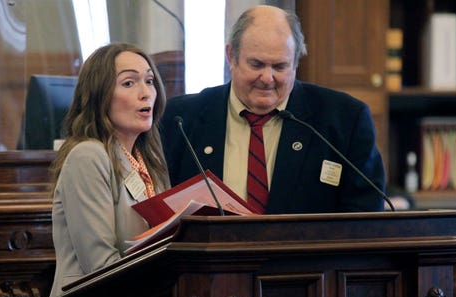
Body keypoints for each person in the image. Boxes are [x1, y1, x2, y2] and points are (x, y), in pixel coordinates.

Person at [160, 5, 386, 214]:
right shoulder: (179, 118)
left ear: (296, 62)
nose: (267, 78)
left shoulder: (344, 119)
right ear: (231, 56)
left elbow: (364, 217)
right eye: (256, 64)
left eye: (280, 66)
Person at [44, 43, 170, 297]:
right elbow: (99, 266)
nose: (145, 92)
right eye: (129, 82)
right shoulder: (88, 156)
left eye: (149, 81)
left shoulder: (149, 163)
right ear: (100, 96)